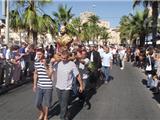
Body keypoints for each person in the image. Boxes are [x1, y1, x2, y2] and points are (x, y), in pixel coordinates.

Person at [50, 50, 84, 120]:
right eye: (62, 58)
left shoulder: (72, 64)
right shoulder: (58, 63)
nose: (63, 60)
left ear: (68, 57)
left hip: (67, 88)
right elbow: (51, 72)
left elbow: (77, 75)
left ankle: (62, 117)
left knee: (64, 104)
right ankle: (66, 112)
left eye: (65, 58)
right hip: (58, 87)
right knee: (62, 103)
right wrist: (50, 63)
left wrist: (81, 85)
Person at [33, 48, 53, 120]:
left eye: (40, 54)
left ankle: (45, 116)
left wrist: (45, 66)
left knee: (47, 103)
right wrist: (34, 85)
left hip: (48, 86)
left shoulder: (48, 62)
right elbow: (36, 73)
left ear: (43, 54)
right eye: (37, 54)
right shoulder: (36, 62)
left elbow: (50, 75)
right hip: (39, 86)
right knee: (37, 103)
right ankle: (42, 112)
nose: (38, 56)